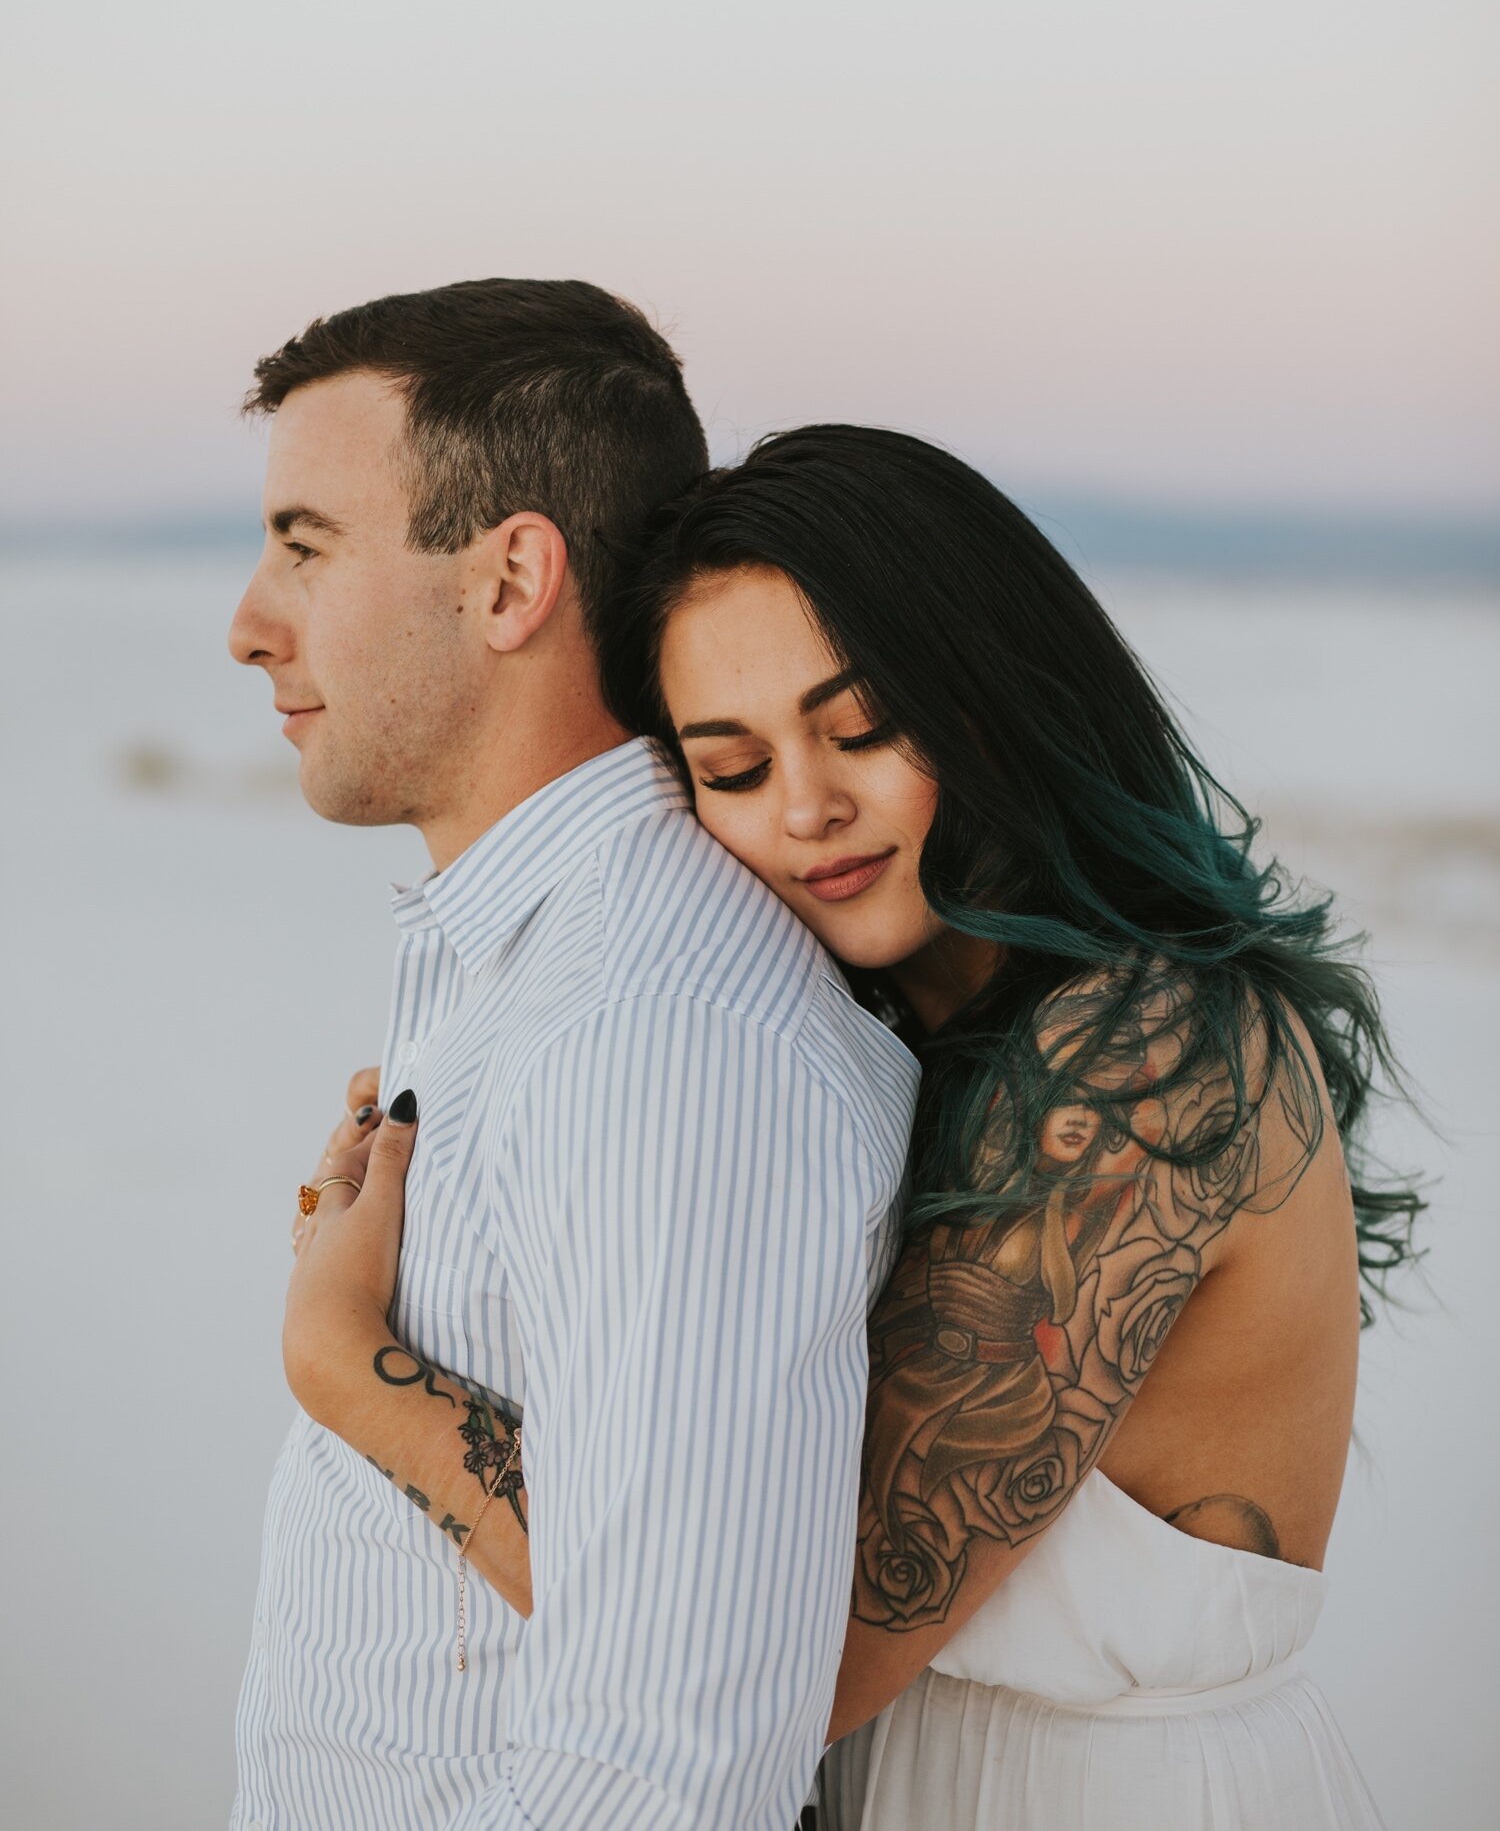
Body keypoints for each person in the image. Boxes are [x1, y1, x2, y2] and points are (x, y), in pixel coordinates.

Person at [305, 423, 1418, 1829]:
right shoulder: (900, 1039)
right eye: (734, 765)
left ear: (994, 692)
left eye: (864, 728)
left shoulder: (1147, 1052)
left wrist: (358, 1366)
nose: (809, 808)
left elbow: (777, 1643)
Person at [226, 284, 921, 1831]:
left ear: (512, 578)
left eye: (305, 544)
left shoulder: (660, 1034)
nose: (248, 621)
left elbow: (665, 1761)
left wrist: (346, 1362)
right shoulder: (523, 964)